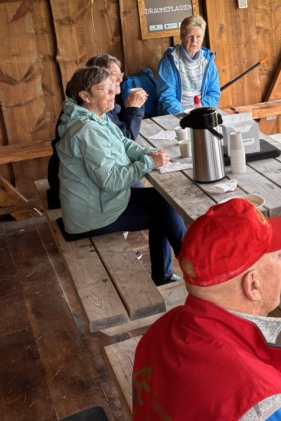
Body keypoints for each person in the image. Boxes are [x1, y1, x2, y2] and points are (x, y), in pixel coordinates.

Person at [132, 199, 281, 421]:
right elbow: (254, 417)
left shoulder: (159, 329)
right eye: (274, 253)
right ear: (253, 285)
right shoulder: (262, 407)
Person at [56, 67, 185, 285]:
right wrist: (149, 163)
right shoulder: (87, 129)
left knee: (166, 202)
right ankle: (198, 271)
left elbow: (124, 143)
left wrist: (149, 154)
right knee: (165, 215)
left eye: (111, 87)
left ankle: (173, 273)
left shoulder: (96, 117)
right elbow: (110, 180)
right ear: (85, 96)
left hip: (102, 199)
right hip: (91, 214)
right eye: (104, 89)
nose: (113, 93)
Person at [47, 54, 148, 209]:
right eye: (113, 75)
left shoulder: (92, 107)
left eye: (119, 74)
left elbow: (121, 139)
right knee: (155, 199)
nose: (119, 79)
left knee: (154, 198)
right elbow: (126, 138)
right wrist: (134, 109)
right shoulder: (87, 120)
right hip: (85, 196)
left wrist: (149, 155)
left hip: (86, 184)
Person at [156, 15, 221, 115]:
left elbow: (214, 93)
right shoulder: (169, 60)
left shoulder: (208, 61)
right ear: (182, 37)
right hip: (177, 114)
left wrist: (201, 111)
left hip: (201, 112)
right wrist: (184, 116)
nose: (194, 41)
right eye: (190, 36)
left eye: (198, 37)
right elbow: (167, 96)